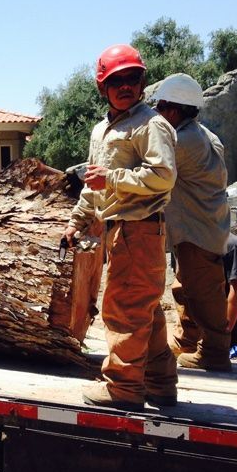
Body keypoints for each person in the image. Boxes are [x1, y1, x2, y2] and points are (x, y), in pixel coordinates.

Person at [64, 44, 178, 409]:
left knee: (124, 309)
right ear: (103, 87)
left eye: (132, 78)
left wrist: (112, 179)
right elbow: (92, 182)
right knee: (144, 309)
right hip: (119, 230)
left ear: (142, 82)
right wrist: (77, 221)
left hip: (139, 228)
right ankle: (159, 382)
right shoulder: (103, 129)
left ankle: (123, 388)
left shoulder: (150, 124)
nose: (126, 86)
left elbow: (163, 176)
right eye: (117, 80)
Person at [153, 73, 232, 372]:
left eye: (160, 108)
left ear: (173, 111)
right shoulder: (205, 135)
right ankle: (188, 340)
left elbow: (152, 168)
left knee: (203, 292)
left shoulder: (182, 141)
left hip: (197, 231)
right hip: (201, 228)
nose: (158, 114)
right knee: (186, 287)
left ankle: (214, 353)